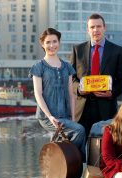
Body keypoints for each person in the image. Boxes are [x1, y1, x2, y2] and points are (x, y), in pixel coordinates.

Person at [29, 28, 86, 162]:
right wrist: (50, 116)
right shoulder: (38, 67)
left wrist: (72, 117)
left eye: (55, 41)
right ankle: (75, 162)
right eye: (48, 42)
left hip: (65, 115)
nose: (52, 45)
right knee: (80, 130)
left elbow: (71, 95)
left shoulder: (67, 66)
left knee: (67, 135)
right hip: (47, 117)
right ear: (42, 44)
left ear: (59, 42)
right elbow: (38, 94)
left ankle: (62, 166)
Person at [71, 13, 122, 137]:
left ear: (104, 28)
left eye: (98, 26)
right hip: (82, 108)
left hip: (106, 107)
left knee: (104, 147)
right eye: (92, 27)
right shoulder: (77, 50)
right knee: (81, 147)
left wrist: (112, 93)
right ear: (88, 30)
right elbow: (72, 78)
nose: (95, 30)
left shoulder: (117, 50)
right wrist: (79, 89)